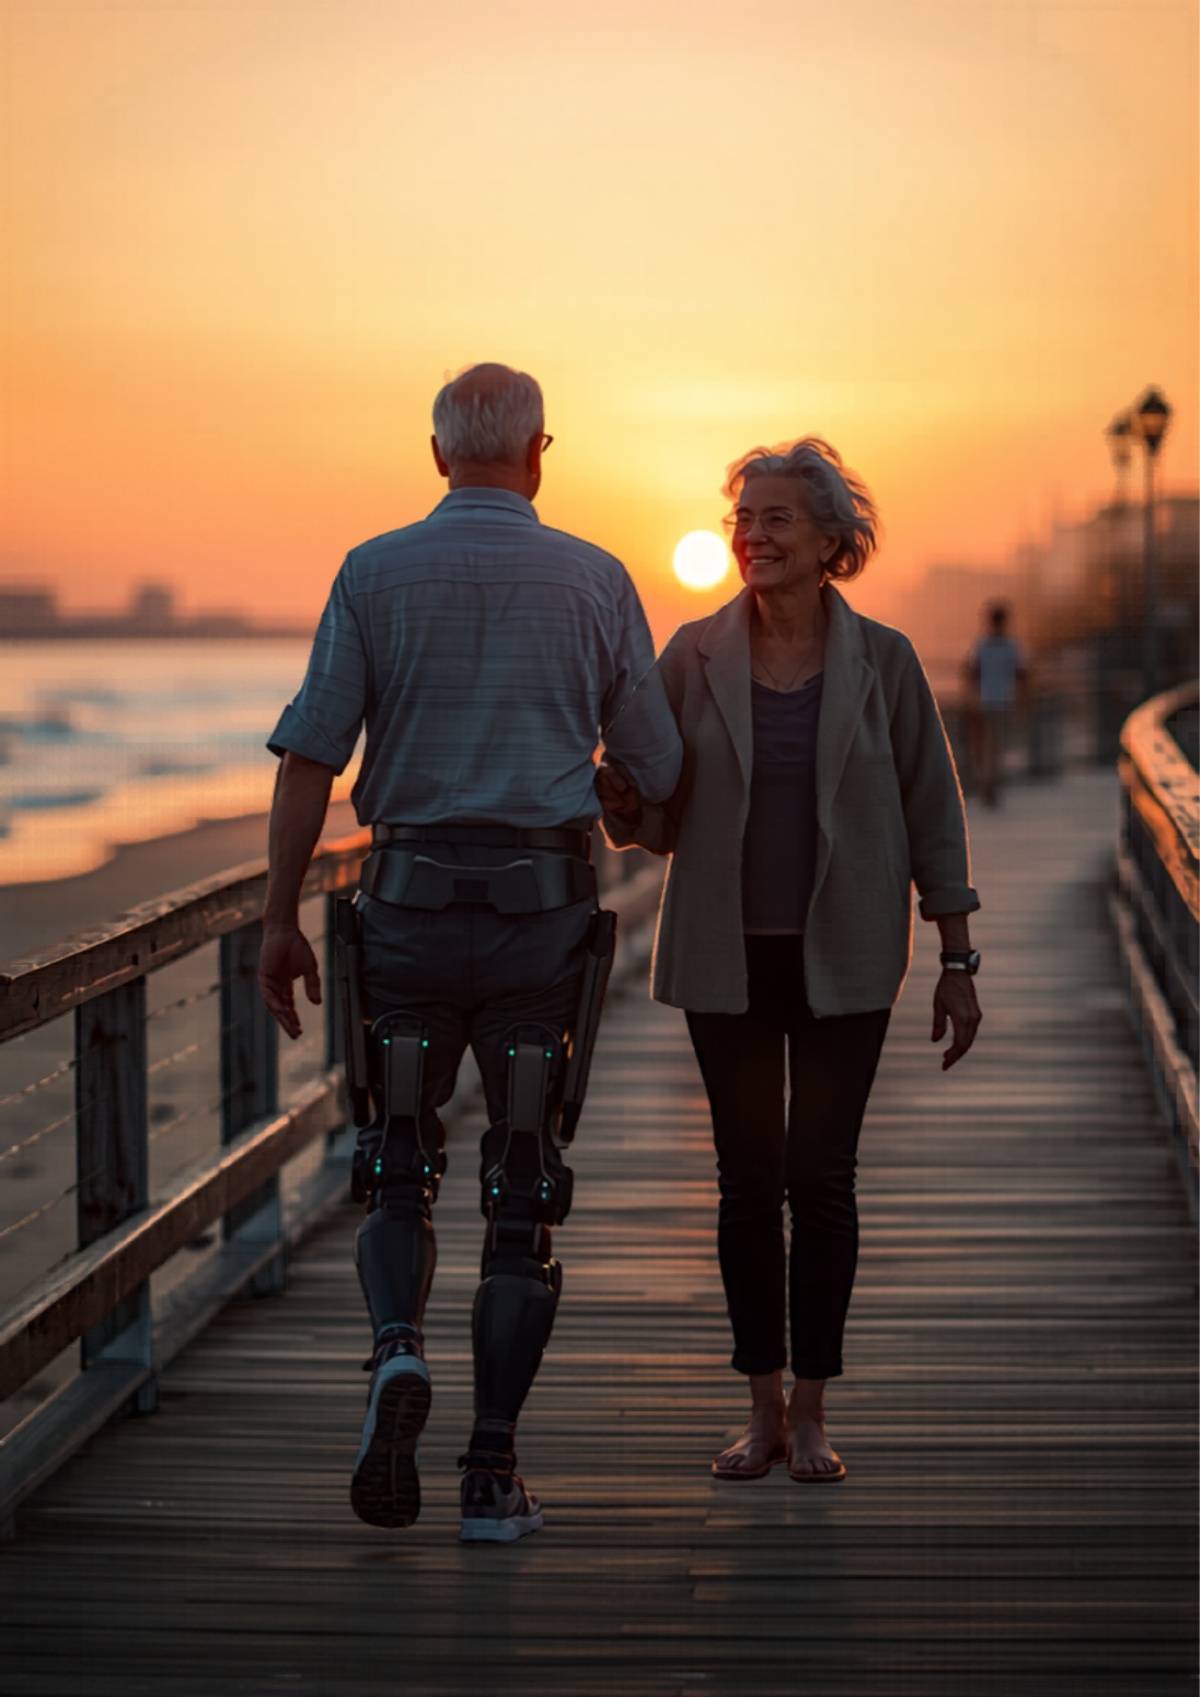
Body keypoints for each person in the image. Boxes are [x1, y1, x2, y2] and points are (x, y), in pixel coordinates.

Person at [258, 363, 681, 1543]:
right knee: (521, 1189)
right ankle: (490, 1475)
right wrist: (611, 788)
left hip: (400, 908)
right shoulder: (597, 578)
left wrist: (278, 917)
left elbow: (309, 759)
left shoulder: (371, 569)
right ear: (542, 451)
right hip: (540, 919)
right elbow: (656, 767)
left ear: (437, 453)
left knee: (397, 1160)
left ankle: (397, 1347)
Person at [597, 437, 981, 1485]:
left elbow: (932, 811)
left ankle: (813, 1409)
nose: (752, 536)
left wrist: (958, 954)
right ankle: (760, 1407)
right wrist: (625, 807)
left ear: (830, 543)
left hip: (847, 959)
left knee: (820, 1179)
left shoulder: (887, 662)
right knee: (745, 1180)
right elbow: (659, 820)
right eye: (742, 518)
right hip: (726, 959)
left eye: (775, 519)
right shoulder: (692, 654)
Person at [964, 600, 1029, 806]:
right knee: (995, 747)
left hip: (987, 701)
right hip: (998, 701)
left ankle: (987, 784)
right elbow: (1022, 675)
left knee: (987, 748)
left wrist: (971, 697)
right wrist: (1022, 701)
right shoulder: (1010, 646)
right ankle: (990, 785)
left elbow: (971, 673)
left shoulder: (983, 645)